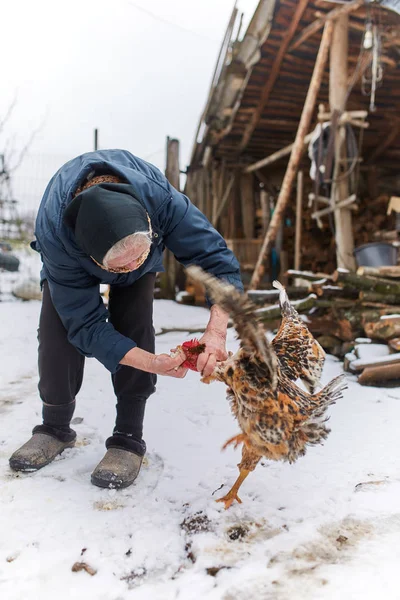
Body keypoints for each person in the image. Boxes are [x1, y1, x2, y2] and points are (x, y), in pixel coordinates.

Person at [9, 149, 243, 489]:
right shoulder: (56, 235)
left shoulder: (161, 200)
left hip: (132, 240)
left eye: (139, 255)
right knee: (57, 336)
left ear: (149, 222)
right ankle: (54, 427)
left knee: (135, 321)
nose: (130, 267)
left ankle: (128, 437)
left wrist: (216, 331)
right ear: (91, 256)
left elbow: (217, 262)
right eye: (121, 266)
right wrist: (149, 362)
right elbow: (86, 325)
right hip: (69, 262)